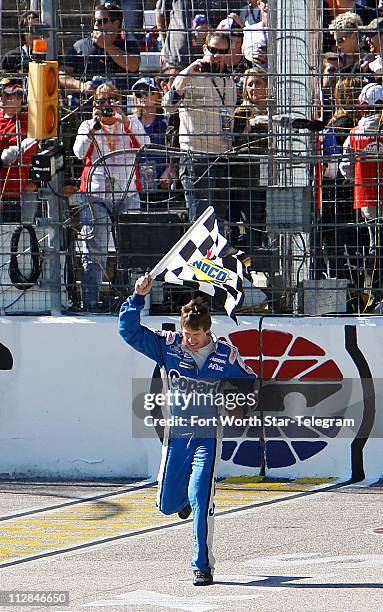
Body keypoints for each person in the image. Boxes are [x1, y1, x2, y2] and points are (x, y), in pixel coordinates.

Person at [118, 273, 256, 585]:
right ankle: (182, 503)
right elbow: (128, 331)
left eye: (195, 334)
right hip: (177, 437)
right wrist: (138, 296)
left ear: (207, 331)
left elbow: (250, 380)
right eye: (186, 333)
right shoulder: (169, 347)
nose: (189, 340)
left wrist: (239, 403)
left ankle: (202, 566)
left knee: (200, 497)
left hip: (208, 436)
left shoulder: (226, 353)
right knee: (166, 505)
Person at [73, 82, 149, 310]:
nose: (107, 106)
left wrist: (125, 120)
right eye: (101, 102)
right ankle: (90, 302)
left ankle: (129, 299)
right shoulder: (88, 124)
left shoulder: (131, 122)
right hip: (95, 193)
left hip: (127, 191)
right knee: (94, 247)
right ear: (94, 104)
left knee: (130, 247)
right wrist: (95, 125)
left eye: (111, 101)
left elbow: (145, 146)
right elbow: (78, 153)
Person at [163, 30, 237, 222]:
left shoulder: (229, 81)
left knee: (219, 221)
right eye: (213, 50)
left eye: (222, 52)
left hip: (222, 157)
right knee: (200, 222)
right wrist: (186, 74)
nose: (217, 56)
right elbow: (168, 105)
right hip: (196, 159)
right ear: (205, 48)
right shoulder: (190, 75)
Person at [339, 82, 383, 300]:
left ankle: (374, 291)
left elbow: (344, 166)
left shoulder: (355, 133)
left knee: (375, 241)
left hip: (366, 196)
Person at [60, 2, 140, 95]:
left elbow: (133, 66)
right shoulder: (80, 46)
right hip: (88, 105)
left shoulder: (128, 45)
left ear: (116, 24)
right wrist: (81, 85)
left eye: (102, 21)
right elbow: (62, 75)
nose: (96, 25)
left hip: (120, 105)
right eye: (95, 20)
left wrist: (107, 46)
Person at [231, 67, 269, 251]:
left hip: (270, 177)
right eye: (250, 84)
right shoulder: (242, 111)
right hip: (246, 179)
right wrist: (247, 127)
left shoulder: (274, 111)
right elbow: (235, 143)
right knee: (252, 225)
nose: (254, 88)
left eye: (258, 83)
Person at [157, 0, 242, 68]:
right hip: (175, 58)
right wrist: (165, 44)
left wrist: (212, 32)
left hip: (209, 62)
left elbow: (232, 26)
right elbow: (161, 14)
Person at [0, 78, 37, 223]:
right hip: (2, 191)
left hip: (22, 191)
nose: (3, 98)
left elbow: (41, 150)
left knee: (23, 235)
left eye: (8, 95)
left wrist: (35, 183)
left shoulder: (32, 119)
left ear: (20, 98)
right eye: (2, 94)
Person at [131, 77, 171, 203]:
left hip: (163, 185)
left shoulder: (167, 121)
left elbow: (175, 151)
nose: (143, 96)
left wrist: (169, 171)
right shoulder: (130, 122)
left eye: (147, 92)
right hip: (135, 188)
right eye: (139, 94)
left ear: (157, 96)